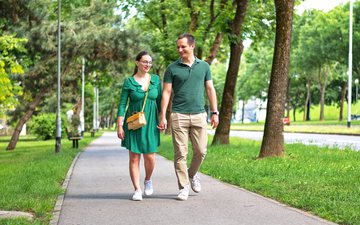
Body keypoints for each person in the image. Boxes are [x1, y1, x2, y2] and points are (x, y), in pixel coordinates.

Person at [158, 34, 219, 201]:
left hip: (199, 114)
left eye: (183, 46)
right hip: (178, 115)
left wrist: (215, 112)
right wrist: (163, 116)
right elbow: (166, 92)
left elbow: (210, 89)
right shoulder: (172, 68)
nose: (179, 50)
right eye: (178, 47)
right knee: (180, 154)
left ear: (192, 46)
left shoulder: (204, 66)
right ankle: (183, 186)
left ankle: (192, 174)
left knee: (201, 151)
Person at [117, 51, 162, 201]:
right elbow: (123, 104)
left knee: (150, 156)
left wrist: (163, 119)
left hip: (151, 122)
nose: (147, 64)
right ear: (137, 63)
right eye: (144, 62)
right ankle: (137, 189)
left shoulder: (155, 80)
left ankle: (148, 180)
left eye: (149, 62)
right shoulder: (129, 82)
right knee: (134, 157)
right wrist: (119, 125)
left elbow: (161, 101)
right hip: (134, 122)